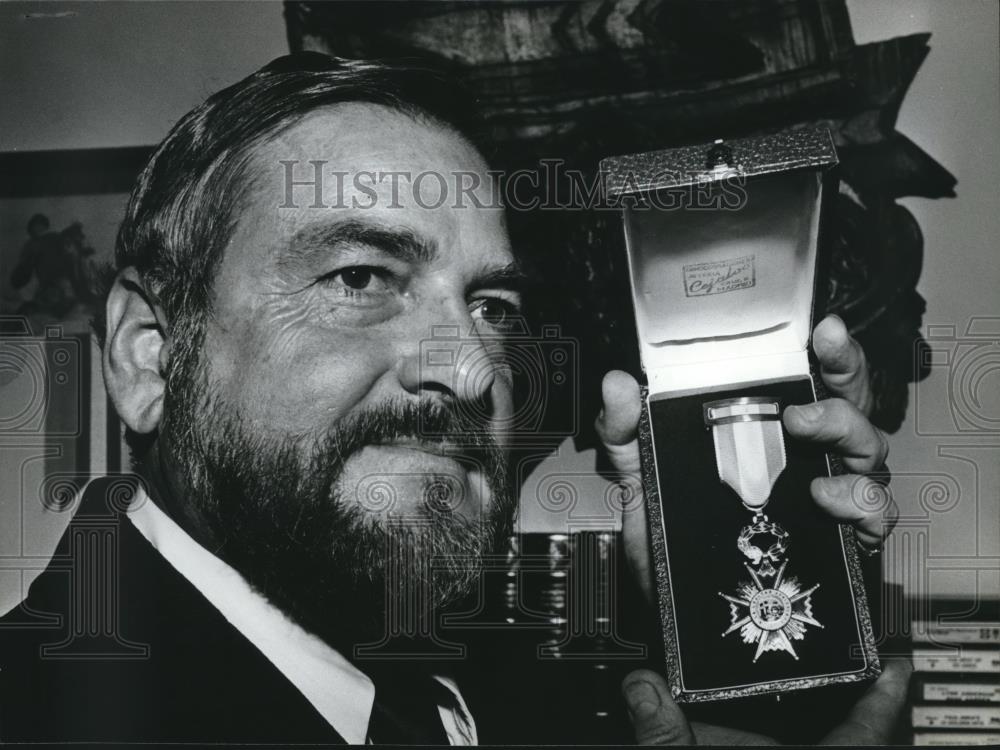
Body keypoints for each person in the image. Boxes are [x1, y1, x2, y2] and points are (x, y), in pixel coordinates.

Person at [0, 53, 906, 744]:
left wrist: (730, 594)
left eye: (492, 306)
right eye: (361, 277)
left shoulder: (546, 699)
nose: (475, 370)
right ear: (149, 356)